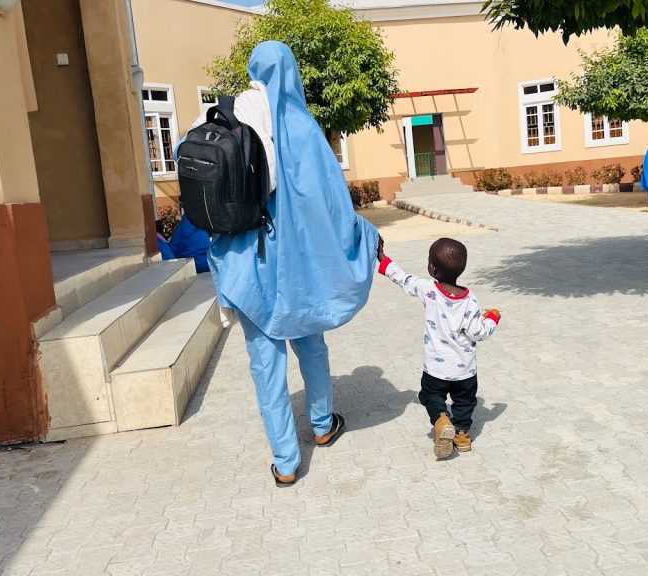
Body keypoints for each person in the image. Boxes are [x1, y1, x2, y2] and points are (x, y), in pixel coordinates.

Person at [206, 42, 380, 486]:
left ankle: (286, 462)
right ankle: (321, 426)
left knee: (266, 366)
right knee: (311, 346)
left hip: (251, 268)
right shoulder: (304, 129)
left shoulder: (237, 119)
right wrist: (366, 236)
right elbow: (335, 206)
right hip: (299, 271)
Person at [377, 237, 501, 459]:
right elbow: (478, 332)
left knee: (430, 395)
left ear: (432, 267)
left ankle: (441, 419)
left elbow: (402, 278)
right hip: (465, 370)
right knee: (465, 402)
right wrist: (492, 318)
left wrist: (382, 258)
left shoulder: (427, 289)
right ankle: (462, 437)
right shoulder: (471, 299)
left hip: (435, 368)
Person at [167, 202, 210, 273]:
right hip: (208, 261)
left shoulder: (184, 225)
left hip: (196, 264)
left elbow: (173, 247)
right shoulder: (202, 224)